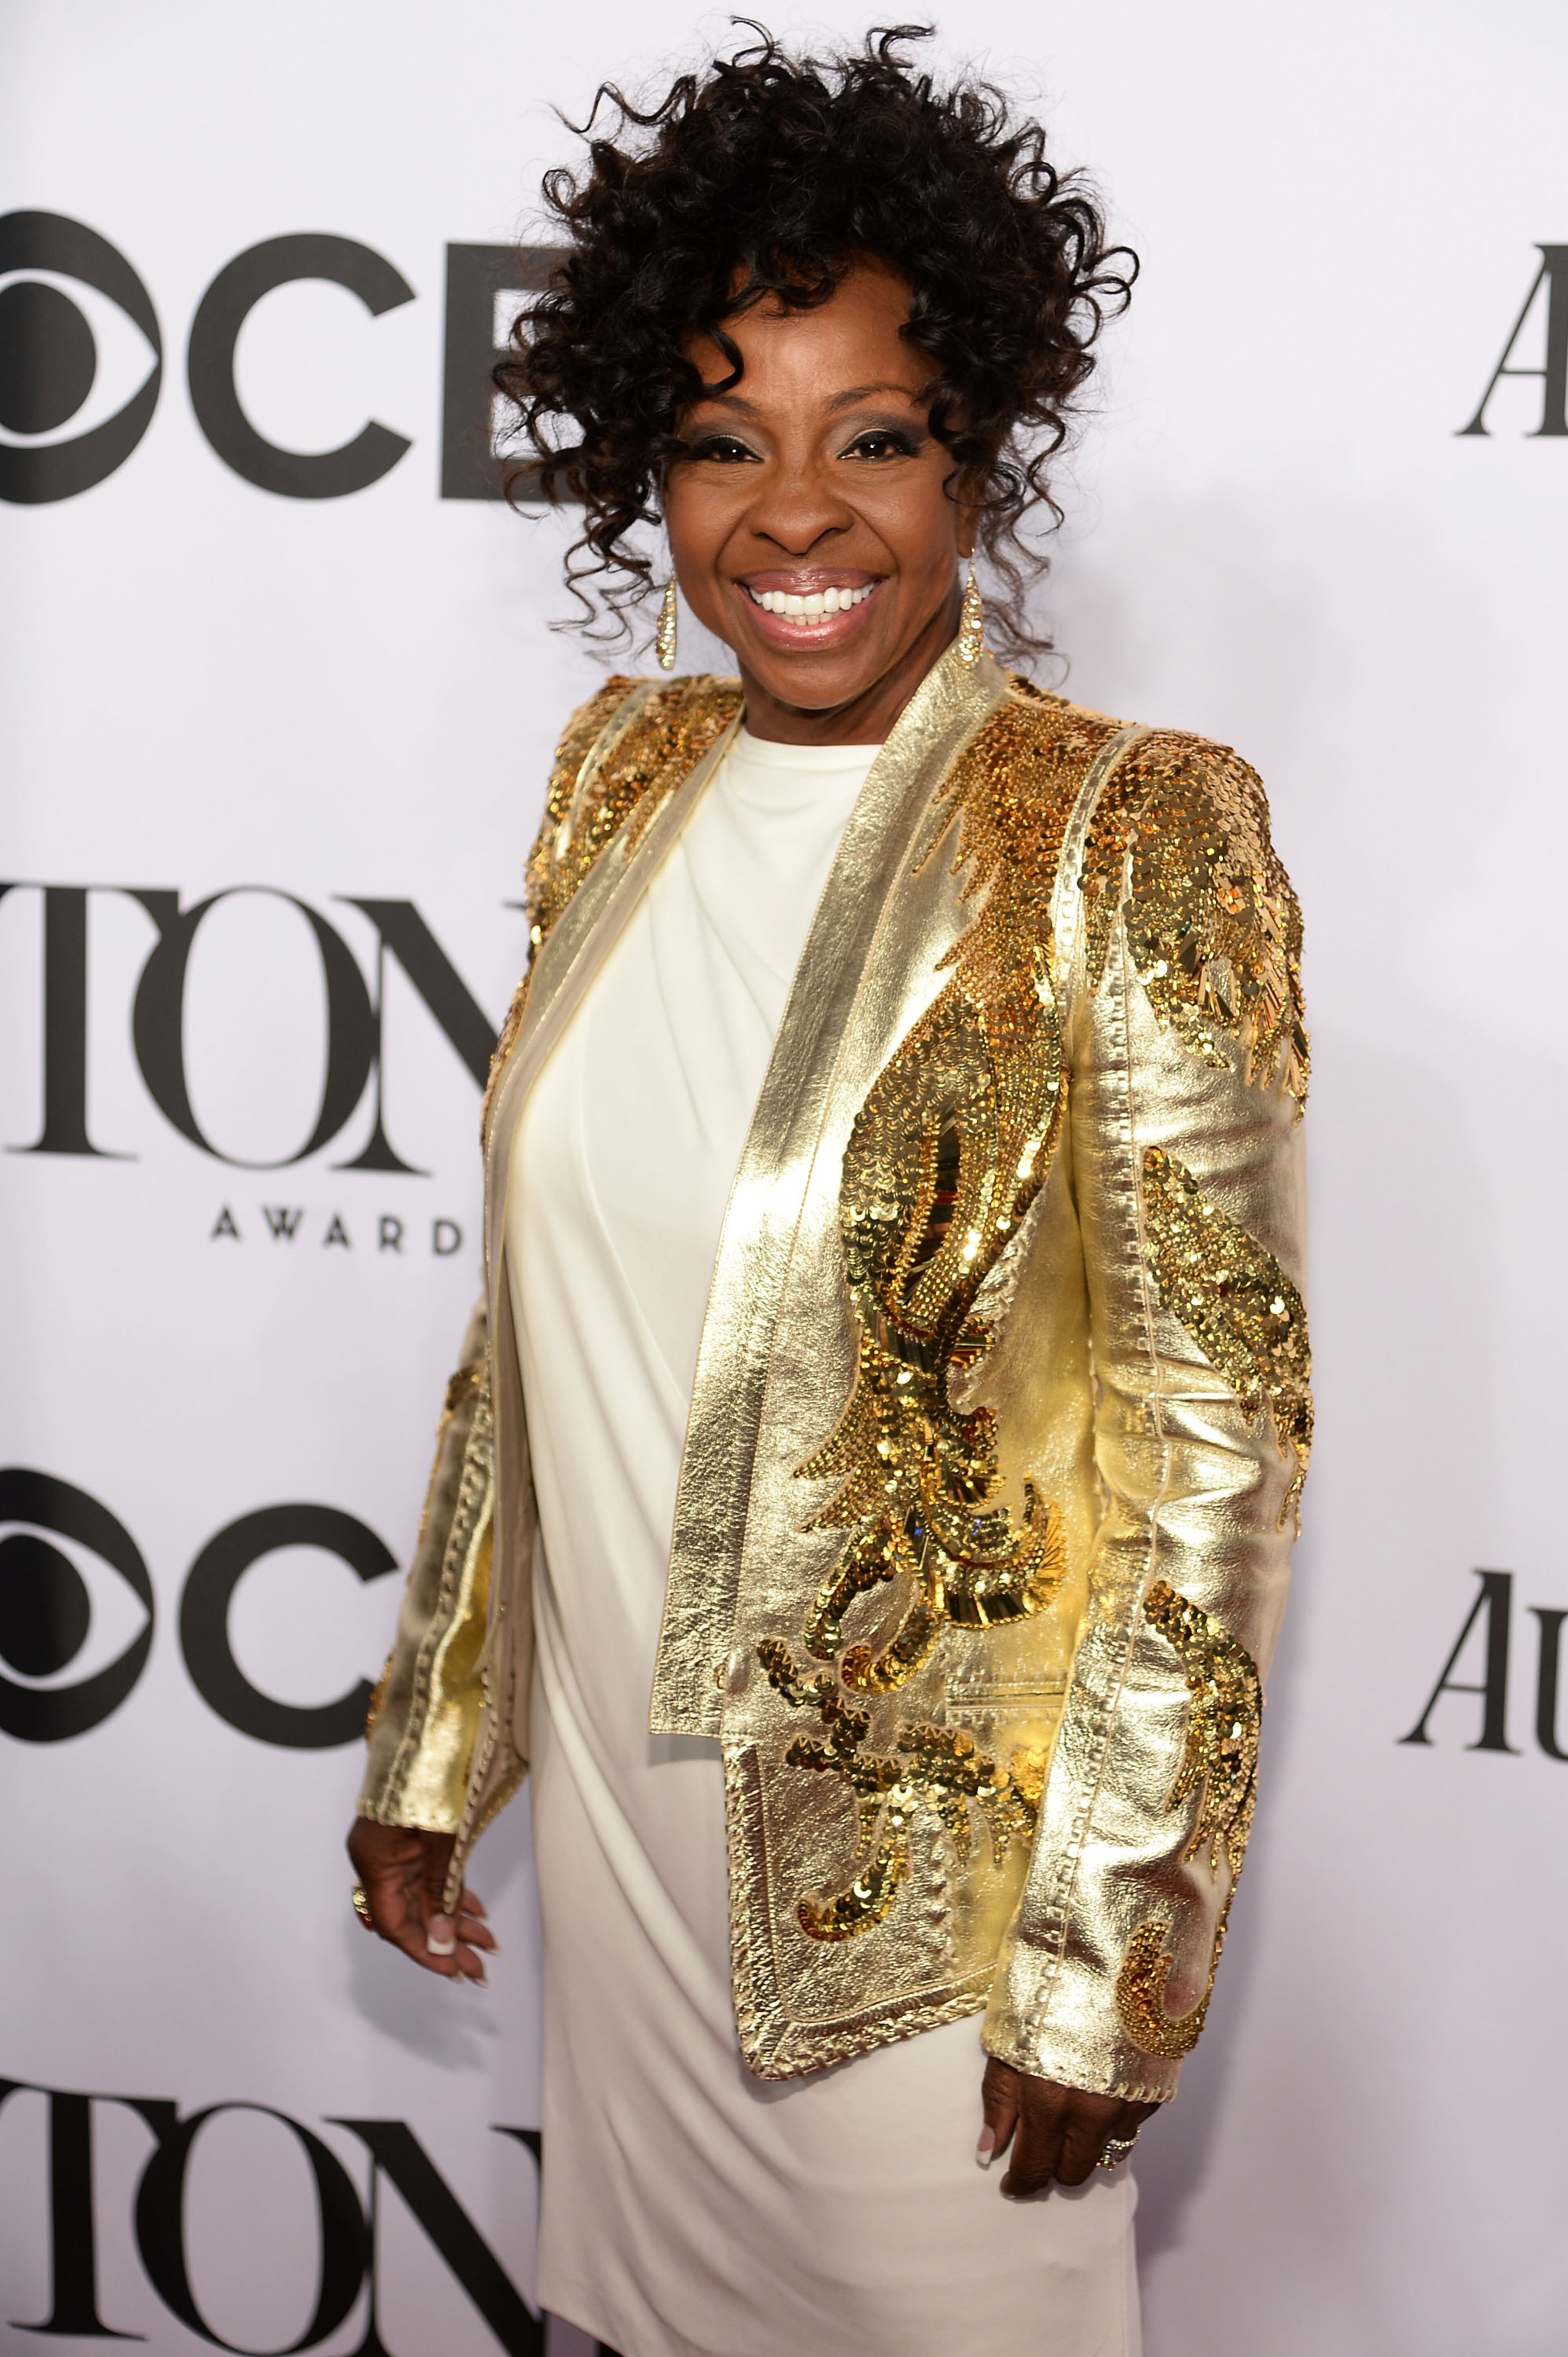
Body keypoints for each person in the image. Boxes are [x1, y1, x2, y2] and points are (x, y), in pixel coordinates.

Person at [346, 28, 1310, 2357]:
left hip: (916, 1911)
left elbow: (1215, 1446)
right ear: (641, 476)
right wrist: (433, 1738)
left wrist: (1112, 1952)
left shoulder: (1120, 829)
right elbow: (534, 1320)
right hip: (622, 1835)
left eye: (872, 437)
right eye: (719, 444)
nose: (794, 518)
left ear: (974, 459)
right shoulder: (621, 772)